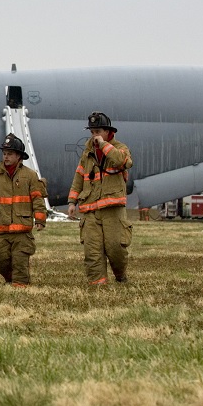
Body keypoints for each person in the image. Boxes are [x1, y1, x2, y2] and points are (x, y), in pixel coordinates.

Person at [67, 112, 133, 285]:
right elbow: (79, 177)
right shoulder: (87, 153)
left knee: (115, 248)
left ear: (107, 132)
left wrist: (104, 146)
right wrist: (72, 202)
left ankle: (120, 276)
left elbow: (123, 161)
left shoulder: (120, 148)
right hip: (89, 209)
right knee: (92, 251)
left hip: (112, 208)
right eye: (92, 132)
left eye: (98, 131)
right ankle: (98, 286)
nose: (94, 135)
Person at [0, 134, 47, 287]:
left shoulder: (30, 176)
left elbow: (37, 199)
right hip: (0, 227)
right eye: (4, 154)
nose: (6, 157)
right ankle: (11, 278)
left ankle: (20, 285)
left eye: (10, 154)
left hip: (22, 228)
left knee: (20, 259)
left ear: (19, 156)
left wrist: (40, 219)